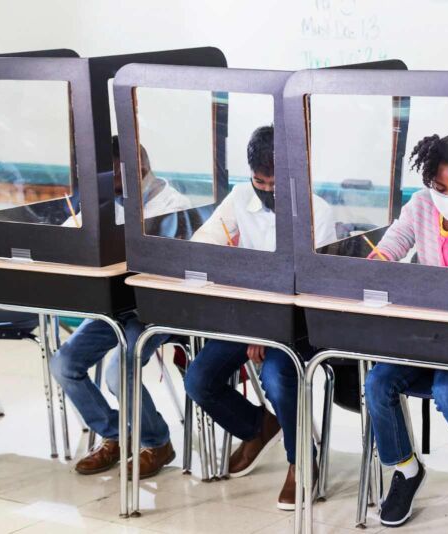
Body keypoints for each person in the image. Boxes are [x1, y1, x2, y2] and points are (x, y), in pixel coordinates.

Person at [185, 125, 336, 510]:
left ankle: (302, 460)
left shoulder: (318, 211)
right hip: (247, 320)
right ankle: (257, 426)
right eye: (259, 181)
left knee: (278, 380)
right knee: (199, 379)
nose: (266, 190)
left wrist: (269, 329)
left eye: (275, 182)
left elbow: (313, 288)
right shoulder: (238, 198)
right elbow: (202, 244)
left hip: (298, 328)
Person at [362, 134, 448, 532]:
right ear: (429, 180)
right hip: (421, 337)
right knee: (377, 383)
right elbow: (393, 244)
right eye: (441, 187)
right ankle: (406, 467)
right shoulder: (419, 205)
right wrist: (379, 259)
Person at [50, 136, 192, 478]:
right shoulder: (106, 201)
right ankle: (114, 434)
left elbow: (181, 272)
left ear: (137, 167)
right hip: (114, 305)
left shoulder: (173, 204)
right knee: (64, 364)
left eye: (111, 176)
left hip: (158, 309)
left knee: (118, 372)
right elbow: (67, 236)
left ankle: (157, 443)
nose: (105, 185)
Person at [62, 135, 191, 227]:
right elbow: (73, 226)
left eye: (114, 174)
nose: (110, 190)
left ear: (140, 171)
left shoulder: (176, 206)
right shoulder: (113, 197)